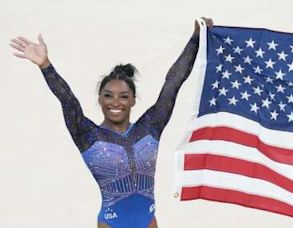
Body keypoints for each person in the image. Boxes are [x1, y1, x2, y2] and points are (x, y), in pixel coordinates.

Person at [10, 18, 213, 228]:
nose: (116, 102)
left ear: (133, 100)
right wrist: (45, 66)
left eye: (124, 96)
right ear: (100, 99)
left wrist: (195, 39)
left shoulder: (151, 126)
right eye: (108, 96)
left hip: (149, 222)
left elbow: (173, 84)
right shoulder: (87, 135)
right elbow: (67, 100)